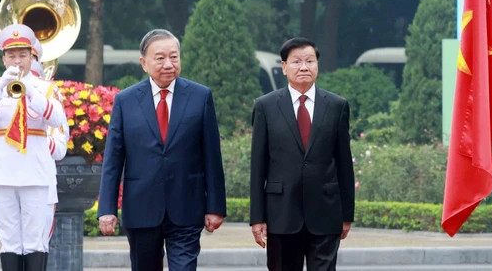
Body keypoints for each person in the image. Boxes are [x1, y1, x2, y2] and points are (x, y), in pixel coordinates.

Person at [97, 29, 227, 271]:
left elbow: (211, 156)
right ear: (144, 63)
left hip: (187, 207)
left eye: (174, 57)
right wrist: (107, 208)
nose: (168, 64)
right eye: (160, 58)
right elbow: (114, 159)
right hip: (141, 208)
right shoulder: (125, 101)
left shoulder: (200, 96)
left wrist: (216, 207)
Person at [250, 37, 355, 271]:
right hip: (281, 214)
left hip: (325, 212)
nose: (304, 67)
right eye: (297, 62)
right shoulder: (266, 107)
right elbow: (258, 166)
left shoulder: (337, 106)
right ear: (284, 67)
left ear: (317, 65)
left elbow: (344, 164)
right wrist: (257, 218)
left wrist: (346, 213)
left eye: (310, 61)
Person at [0, 24, 68, 271]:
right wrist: (0, 88)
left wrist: (30, 94)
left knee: (36, 243)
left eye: (22, 55)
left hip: (35, 174)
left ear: (31, 56)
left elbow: (57, 120)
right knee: (10, 242)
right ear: (4, 58)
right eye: (12, 55)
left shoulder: (45, 88)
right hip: (4, 173)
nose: (17, 61)